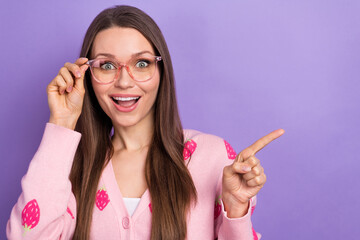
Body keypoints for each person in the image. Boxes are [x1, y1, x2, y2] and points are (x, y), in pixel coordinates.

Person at [7, 5, 284, 240]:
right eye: (106, 65)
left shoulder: (212, 156)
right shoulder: (70, 165)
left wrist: (235, 208)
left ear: (161, 71)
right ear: (86, 75)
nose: (124, 81)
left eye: (141, 63)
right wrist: (62, 123)